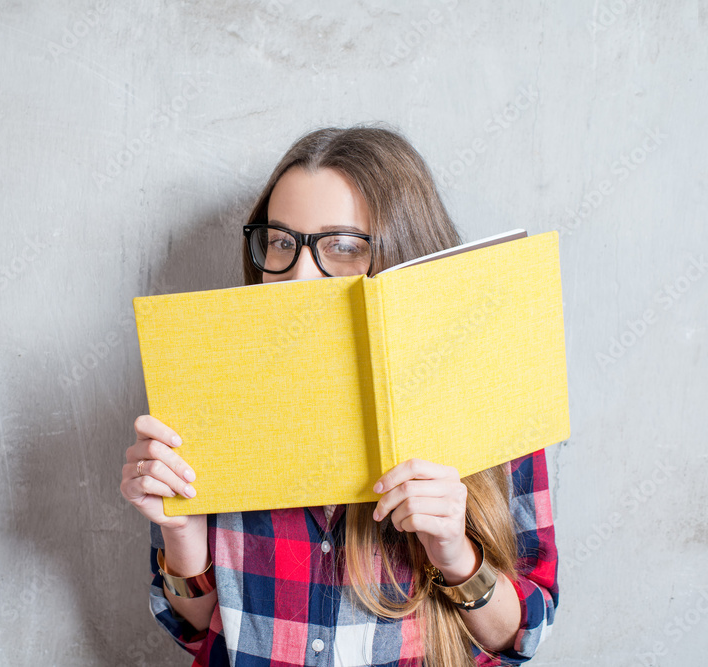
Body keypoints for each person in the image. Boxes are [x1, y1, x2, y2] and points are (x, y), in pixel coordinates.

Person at [120, 125, 558, 666]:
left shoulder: (491, 394)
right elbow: (198, 634)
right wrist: (182, 536)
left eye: (344, 247)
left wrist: (456, 555)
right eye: (281, 242)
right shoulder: (212, 389)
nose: (300, 276)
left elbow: (521, 636)